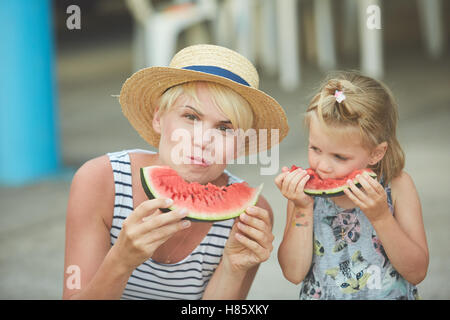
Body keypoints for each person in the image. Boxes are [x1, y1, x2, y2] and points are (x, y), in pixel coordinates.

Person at [63, 44, 289, 300]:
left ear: (240, 144)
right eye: (191, 117)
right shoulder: (100, 182)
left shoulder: (249, 216)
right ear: (158, 118)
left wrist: (233, 268)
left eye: (225, 129)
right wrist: (121, 261)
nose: (203, 140)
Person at [275, 71, 428, 299]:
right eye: (315, 149)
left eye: (340, 157)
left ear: (376, 153)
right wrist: (301, 208)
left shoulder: (398, 187)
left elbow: (417, 271)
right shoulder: (305, 196)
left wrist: (381, 217)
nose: (323, 166)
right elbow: (293, 272)